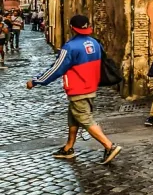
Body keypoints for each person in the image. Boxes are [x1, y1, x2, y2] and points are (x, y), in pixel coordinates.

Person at [25, 15, 122, 164]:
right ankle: (68, 148)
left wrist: (37, 81)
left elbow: (56, 69)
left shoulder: (70, 47)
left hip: (78, 89)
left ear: (71, 27)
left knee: (85, 119)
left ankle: (109, 146)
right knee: (73, 119)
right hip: (91, 86)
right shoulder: (95, 43)